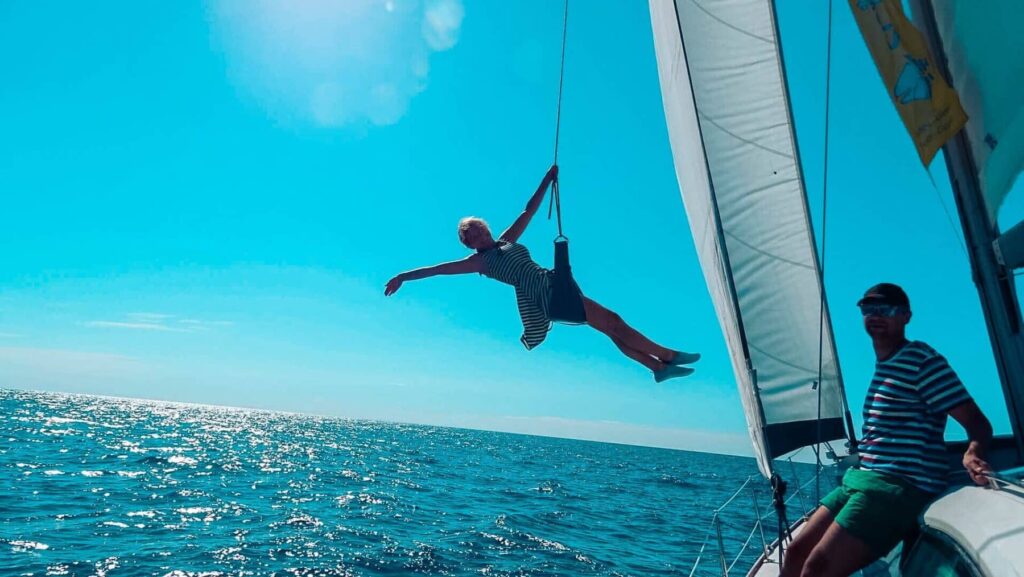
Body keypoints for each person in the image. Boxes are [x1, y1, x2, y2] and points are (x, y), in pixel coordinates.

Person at [384, 165, 700, 382]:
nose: (478, 236)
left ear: (486, 228)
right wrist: (402, 277)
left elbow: (528, 210)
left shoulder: (507, 241)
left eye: (479, 230)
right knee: (613, 321)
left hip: (555, 286)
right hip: (545, 297)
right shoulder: (479, 262)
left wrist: (547, 179)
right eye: (472, 237)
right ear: (469, 244)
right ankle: (667, 356)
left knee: (610, 328)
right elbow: (437, 270)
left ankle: (656, 368)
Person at [781, 283, 994, 577]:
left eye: (887, 309)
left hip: (897, 486)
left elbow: (978, 423)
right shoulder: (885, 365)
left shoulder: (922, 361)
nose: (876, 315)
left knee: (817, 568)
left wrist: (973, 452)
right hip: (862, 479)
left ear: (906, 316)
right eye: (869, 309)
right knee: (795, 553)